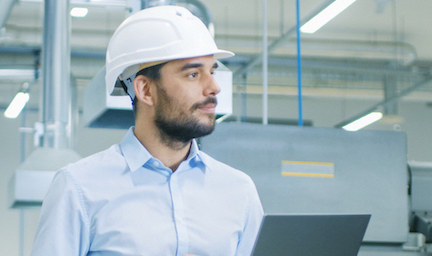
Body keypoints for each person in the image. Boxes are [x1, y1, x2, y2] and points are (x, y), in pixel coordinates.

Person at [29, 5, 264, 256]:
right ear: (145, 90)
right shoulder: (79, 188)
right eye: (193, 74)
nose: (214, 87)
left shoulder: (239, 191)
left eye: (212, 71)